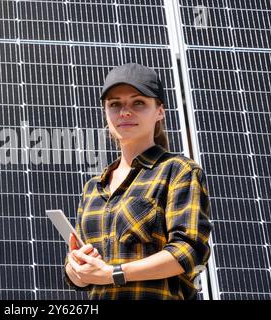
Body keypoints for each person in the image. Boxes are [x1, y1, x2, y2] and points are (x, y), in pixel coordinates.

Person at [64, 63, 212, 300]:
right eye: (115, 104)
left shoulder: (178, 171)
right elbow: (82, 277)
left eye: (138, 103)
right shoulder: (94, 187)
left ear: (160, 111)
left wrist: (114, 273)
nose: (125, 112)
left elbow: (188, 251)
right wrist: (76, 269)